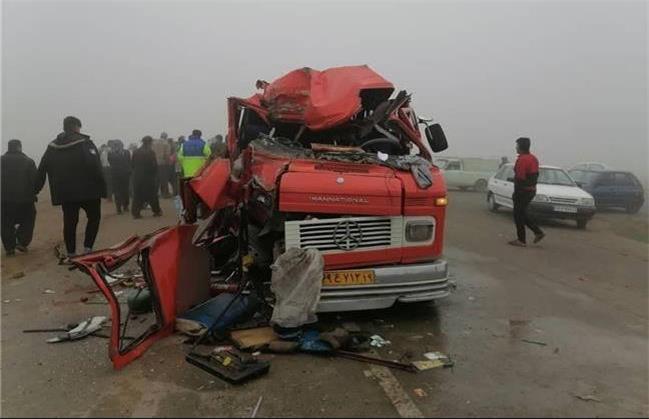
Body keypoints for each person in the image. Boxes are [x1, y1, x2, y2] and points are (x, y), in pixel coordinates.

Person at [36, 116, 106, 257]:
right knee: (94, 217)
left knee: (70, 222)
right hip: (89, 191)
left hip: (65, 193)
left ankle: (71, 252)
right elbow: (95, 167)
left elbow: (42, 168)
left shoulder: (52, 147)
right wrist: (103, 187)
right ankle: (88, 248)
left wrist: (35, 190)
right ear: (76, 127)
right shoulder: (85, 143)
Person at [1, 140, 38, 256]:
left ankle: (9, 249)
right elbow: (35, 181)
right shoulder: (28, 161)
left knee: (6, 223)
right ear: (19, 147)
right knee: (28, 219)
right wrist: (33, 193)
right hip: (25, 200)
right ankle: (22, 242)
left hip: (4, 200)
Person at [509, 137, 545, 247]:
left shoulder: (522, 160)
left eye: (517, 145)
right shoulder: (533, 158)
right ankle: (538, 232)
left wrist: (516, 194)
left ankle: (521, 240)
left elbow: (520, 178)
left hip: (522, 191)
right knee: (522, 214)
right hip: (531, 190)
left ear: (521, 147)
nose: (516, 147)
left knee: (518, 215)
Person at [131, 136, 162, 219]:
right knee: (152, 195)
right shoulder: (151, 152)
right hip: (149, 177)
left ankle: (136, 213)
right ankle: (157, 211)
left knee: (137, 196)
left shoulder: (136, 152)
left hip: (137, 177)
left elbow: (132, 164)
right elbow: (154, 166)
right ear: (149, 143)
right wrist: (155, 174)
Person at [108, 139, 131, 214]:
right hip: (117, 175)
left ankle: (125, 206)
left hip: (124, 174)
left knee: (124, 191)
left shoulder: (126, 152)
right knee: (118, 192)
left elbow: (129, 162)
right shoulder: (111, 153)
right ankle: (119, 208)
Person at [152, 132, 171, 198]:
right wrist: (168, 163)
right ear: (166, 137)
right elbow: (167, 155)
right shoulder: (166, 144)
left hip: (154, 164)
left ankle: (155, 194)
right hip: (163, 164)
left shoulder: (154, 143)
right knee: (164, 179)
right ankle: (165, 194)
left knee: (156, 179)